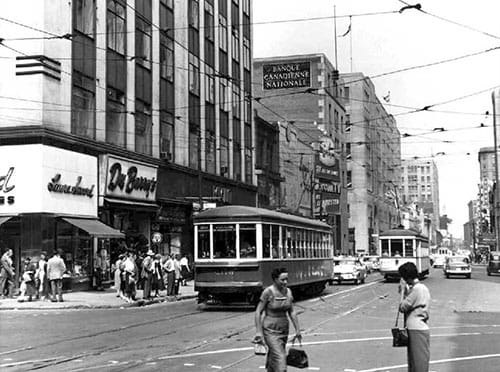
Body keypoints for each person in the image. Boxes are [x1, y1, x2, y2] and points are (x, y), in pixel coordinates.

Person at [254, 267, 302, 372]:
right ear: (275, 279)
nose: (285, 282)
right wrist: (258, 332)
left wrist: (298, 330)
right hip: (270, 330)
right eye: (282, 280)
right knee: (280, 358)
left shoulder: (288, 292)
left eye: (286, 279)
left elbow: (292, 311)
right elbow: (258, 312)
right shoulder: (268, 292)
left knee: (274, 356)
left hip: (284, 329)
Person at [398, 262, 431, 372]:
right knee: (420, 359)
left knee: (417, 362)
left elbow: (403, 307)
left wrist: (403, 291)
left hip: (415, 328)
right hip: (422, 326)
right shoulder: (423, 288)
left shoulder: (417, 289)